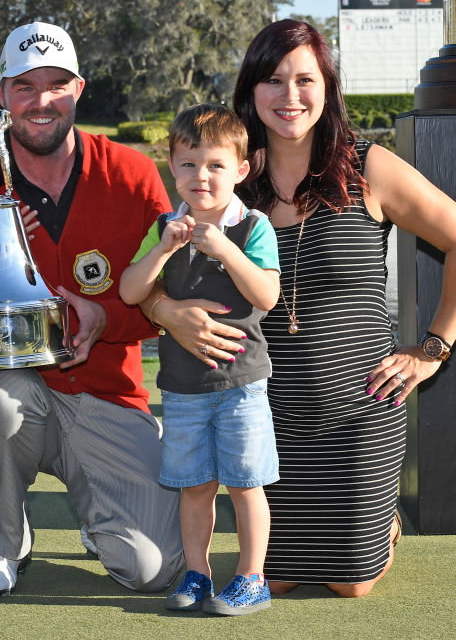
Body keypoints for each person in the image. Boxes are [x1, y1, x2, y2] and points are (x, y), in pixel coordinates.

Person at [150, 19, 456, 598]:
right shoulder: (223, 176)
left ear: (328, 88)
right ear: (251, 91)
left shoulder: (366, 167)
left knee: (348, 585)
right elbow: (159, 268)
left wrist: (432, 350)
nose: (290, 97)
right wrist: (163, 313)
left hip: (359, 409)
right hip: (259, 411)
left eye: (305, 80)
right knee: (276, 580)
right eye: (274, 80)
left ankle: (381, 523)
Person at [0, 21, 184, 598]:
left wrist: (107, 317)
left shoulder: (131, 175)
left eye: (57, 85)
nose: (41, 101)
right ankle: (6, 537)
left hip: (106, 394)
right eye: (25, 86)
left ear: (79, 88)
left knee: (152, 570)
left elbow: (166, 300)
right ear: (0, 93)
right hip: (3, 392)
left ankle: (100, 511)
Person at [119, 104, 280, 616]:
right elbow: (128, 292)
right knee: (194, 487)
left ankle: (252, 578)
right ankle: (197, 573)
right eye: (188, 164)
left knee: (244, 483)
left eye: (214, 165)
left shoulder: (252, 226)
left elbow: (267, 294)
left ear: (241, 169)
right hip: (184, 389)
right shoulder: (164, 227)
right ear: (171, 166)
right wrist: (163, 250)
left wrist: (225, 250)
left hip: (242, 385)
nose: (200, 176)